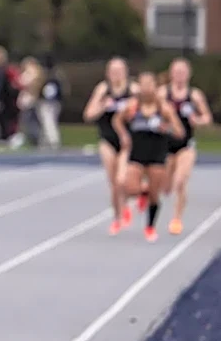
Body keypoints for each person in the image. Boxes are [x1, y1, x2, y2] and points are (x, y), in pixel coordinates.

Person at [113, 71, 184, 242]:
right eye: (143, 84)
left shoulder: (163, 108)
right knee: (128, 187)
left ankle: (150, 227)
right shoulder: (132, 106)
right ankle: (141, 194)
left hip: (157, 154)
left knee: (155, 194)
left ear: (155, 87)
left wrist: (165, 128)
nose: (146, 88)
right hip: (137, 152)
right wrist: (123, 135)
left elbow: (179, 132)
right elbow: (116, 120)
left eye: (149, 84)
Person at [83, 58, 139, 235]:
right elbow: (88, 114)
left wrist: (132, 112)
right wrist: (102, 106)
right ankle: (118, 216)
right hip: (107, 139)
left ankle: (128, 202)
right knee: (113, 183)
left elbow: (147, 111)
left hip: (127, 141)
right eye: (113, 71)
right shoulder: (103, 89)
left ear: (126, 72)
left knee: (122, 181)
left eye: (119, 71)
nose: (116, 74)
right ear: (108, 73)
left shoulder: (133, 90)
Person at [158, 58, 213, 235]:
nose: (180, 75)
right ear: (171, 73)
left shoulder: (194, 95)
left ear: (188, 74)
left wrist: (198, 120)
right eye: (177, 72)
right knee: (166, 187)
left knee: (180, 182)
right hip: (166, 145)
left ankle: (176, 219)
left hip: (186, 145)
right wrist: (161, 124)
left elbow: (207, 117)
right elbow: (151, 113)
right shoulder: (162, 94)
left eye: (183, 72)